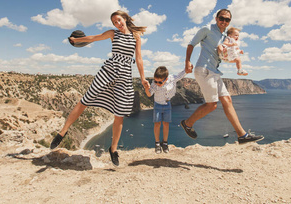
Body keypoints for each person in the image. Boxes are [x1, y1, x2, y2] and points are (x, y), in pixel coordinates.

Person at [50, 10, 150, 166]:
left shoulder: (136, 37)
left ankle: (113, 149)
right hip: (109, 70)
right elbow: (94, 38)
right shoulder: (113, 34)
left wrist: (143, 78)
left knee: (119, 114)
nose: (117, 24)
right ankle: (62, 133)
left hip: (124, 75)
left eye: (118, 20)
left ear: (124, 18)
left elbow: (139, 59)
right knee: (85, 100)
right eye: (114, 22)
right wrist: (77, 40)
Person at [181, 9, 264, 144]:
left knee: (227, 100)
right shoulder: (207, 29)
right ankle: (187, 123)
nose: (224, 21)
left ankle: (242, 135)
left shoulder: (225, 35)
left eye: (227, 20)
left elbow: (225, 52)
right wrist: (187, 61)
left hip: (215, 71)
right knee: (212, 105)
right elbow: (191, 44)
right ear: (216, 18)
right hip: (204, 70)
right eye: (222, 18)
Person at [144, 66, 188, 154]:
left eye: (159, 82)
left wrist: (187, 69)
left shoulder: (172, 79)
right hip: (157, 105)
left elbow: (181, 75)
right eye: (155, 81)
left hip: (167, 105)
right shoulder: (154, 84)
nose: (157, 83)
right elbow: (149, 94)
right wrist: (146, 88)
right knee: (157, 124)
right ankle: (157, 143)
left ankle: (164, 143)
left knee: (166, 124)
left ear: (166, 79)